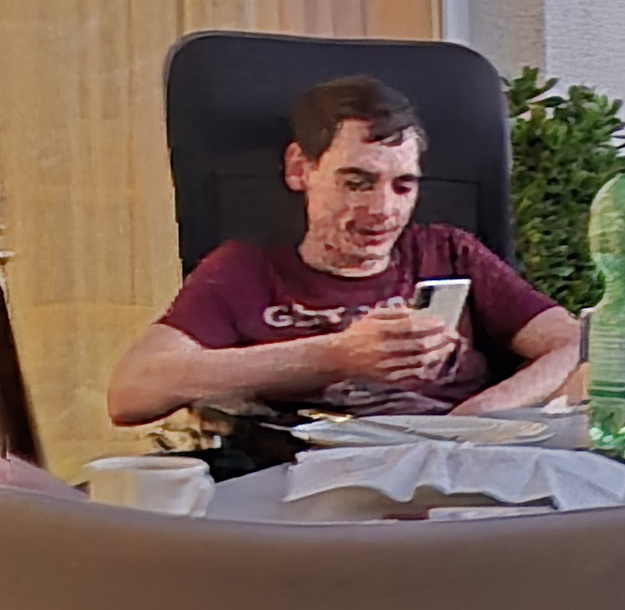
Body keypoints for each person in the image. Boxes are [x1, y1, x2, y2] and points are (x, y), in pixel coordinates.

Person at [108, 76, 580, 424]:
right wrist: (337, 355)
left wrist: (478, 417)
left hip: (455, 465)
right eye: (357, 182)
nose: (384, 210)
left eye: (403, 186)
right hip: (314, 479)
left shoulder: (447, 252)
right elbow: (131, 393)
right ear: (300, 169)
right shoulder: (245, 273)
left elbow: (573, 343)